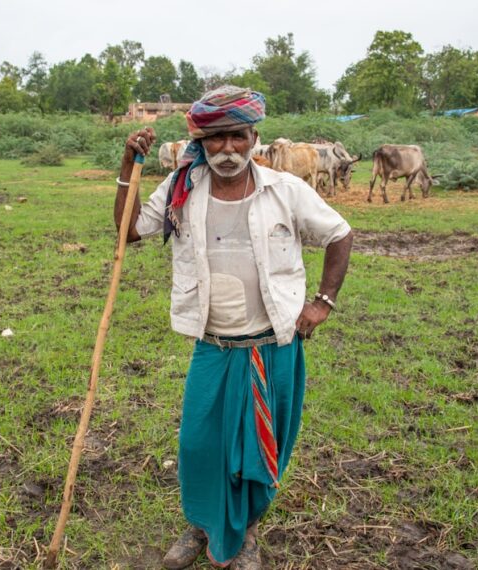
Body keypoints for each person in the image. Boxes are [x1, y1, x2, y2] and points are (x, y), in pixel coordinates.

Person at [114, 85, 353, 569]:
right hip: (215, 344)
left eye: (237, 137)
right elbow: (129, 231)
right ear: (201, 143)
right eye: (216, 139)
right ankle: (202, 526)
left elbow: (340, 234)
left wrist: (323, 302)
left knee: (260, 452)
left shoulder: (284, 191)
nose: (227, 149)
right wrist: (127, 166)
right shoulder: (184, 188)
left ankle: (244, 535)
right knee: (199, 445)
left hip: (274, 346)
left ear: (254, 137)